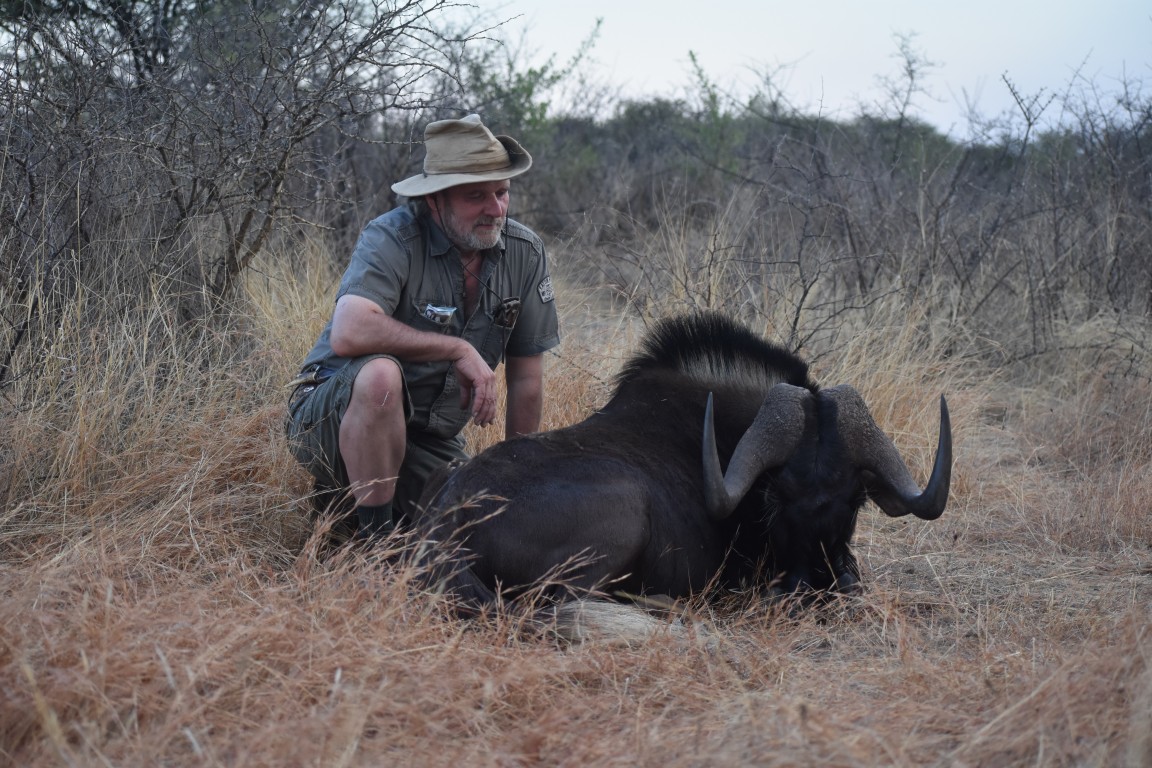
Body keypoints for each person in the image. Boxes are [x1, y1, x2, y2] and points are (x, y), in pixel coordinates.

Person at [285, 114, 560, 541]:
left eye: (502, 193)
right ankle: (376, 548)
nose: (496, 209)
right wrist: (457, 349)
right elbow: (350, 331)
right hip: (332, 417)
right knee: (380, 376)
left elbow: (526, 377)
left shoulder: (524, 252)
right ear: (435, 201)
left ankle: (354, 509)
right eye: (476, 196)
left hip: (426, 437)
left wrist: (519, 484)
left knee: (476, 531)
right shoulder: (392, 236)